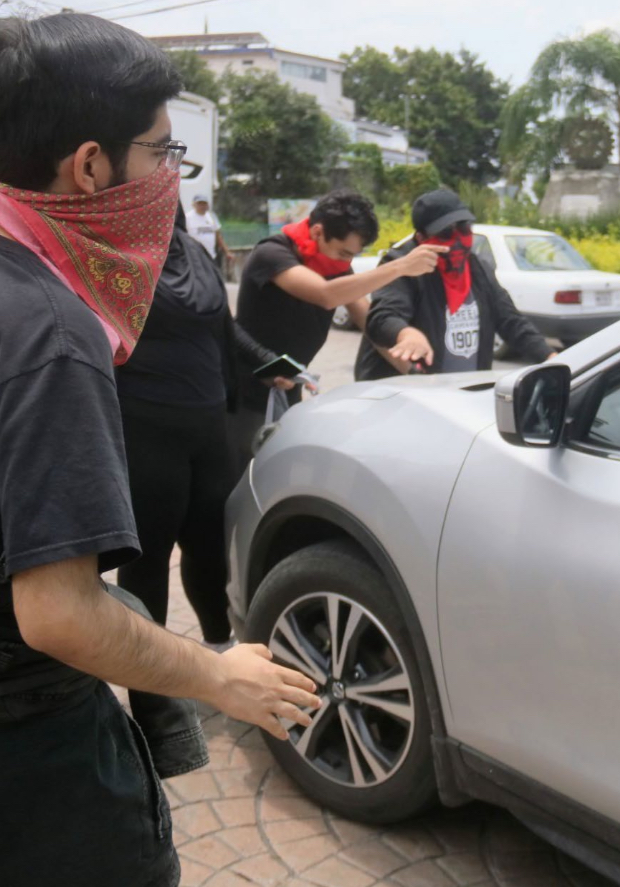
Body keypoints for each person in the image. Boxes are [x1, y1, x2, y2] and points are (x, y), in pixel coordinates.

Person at [0, 13, 320, 887]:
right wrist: (216, 675)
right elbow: (60, 613)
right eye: (161, 152)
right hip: (32, 767)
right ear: (90, 166)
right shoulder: (51, 331)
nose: (170, 179)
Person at [116, 207, 288, 651]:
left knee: (209, 547)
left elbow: (224, 328)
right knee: (147, 558)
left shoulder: (193, 252)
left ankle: (217, 646)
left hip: (210, 426)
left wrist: (268, 363)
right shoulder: (109, 256)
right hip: (145, 430)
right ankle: (148, 681)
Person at [230, 188, 442, 467]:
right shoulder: (272, 254)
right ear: (317, 232)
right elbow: (326, 294)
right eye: (343, 253)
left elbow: (369, 321)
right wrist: (400, 266)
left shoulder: (335, 266)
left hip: (288, 385)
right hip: (242, 389)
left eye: (352, 256)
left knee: (279, 469)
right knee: (242, 472)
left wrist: (414, 371)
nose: (346, 263)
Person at [355, 188, 556, 381]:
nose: (458, 240)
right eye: (445, 233)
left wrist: (549, 357)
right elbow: (382, 317)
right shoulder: (402, 265)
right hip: (406, 391)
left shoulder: (477, 268)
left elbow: (511, 321)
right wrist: (405, 334)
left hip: (463, 391)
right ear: (421, 238)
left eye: (464, 228)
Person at [185, 192, 225, 261]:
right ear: (193, 204)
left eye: (204, 203)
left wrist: (227, 252)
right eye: (199, 203)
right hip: (195, 256)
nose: (202, 206)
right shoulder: (187, 217)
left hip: (211, 255)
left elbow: (218, 236)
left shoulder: (212, 216)